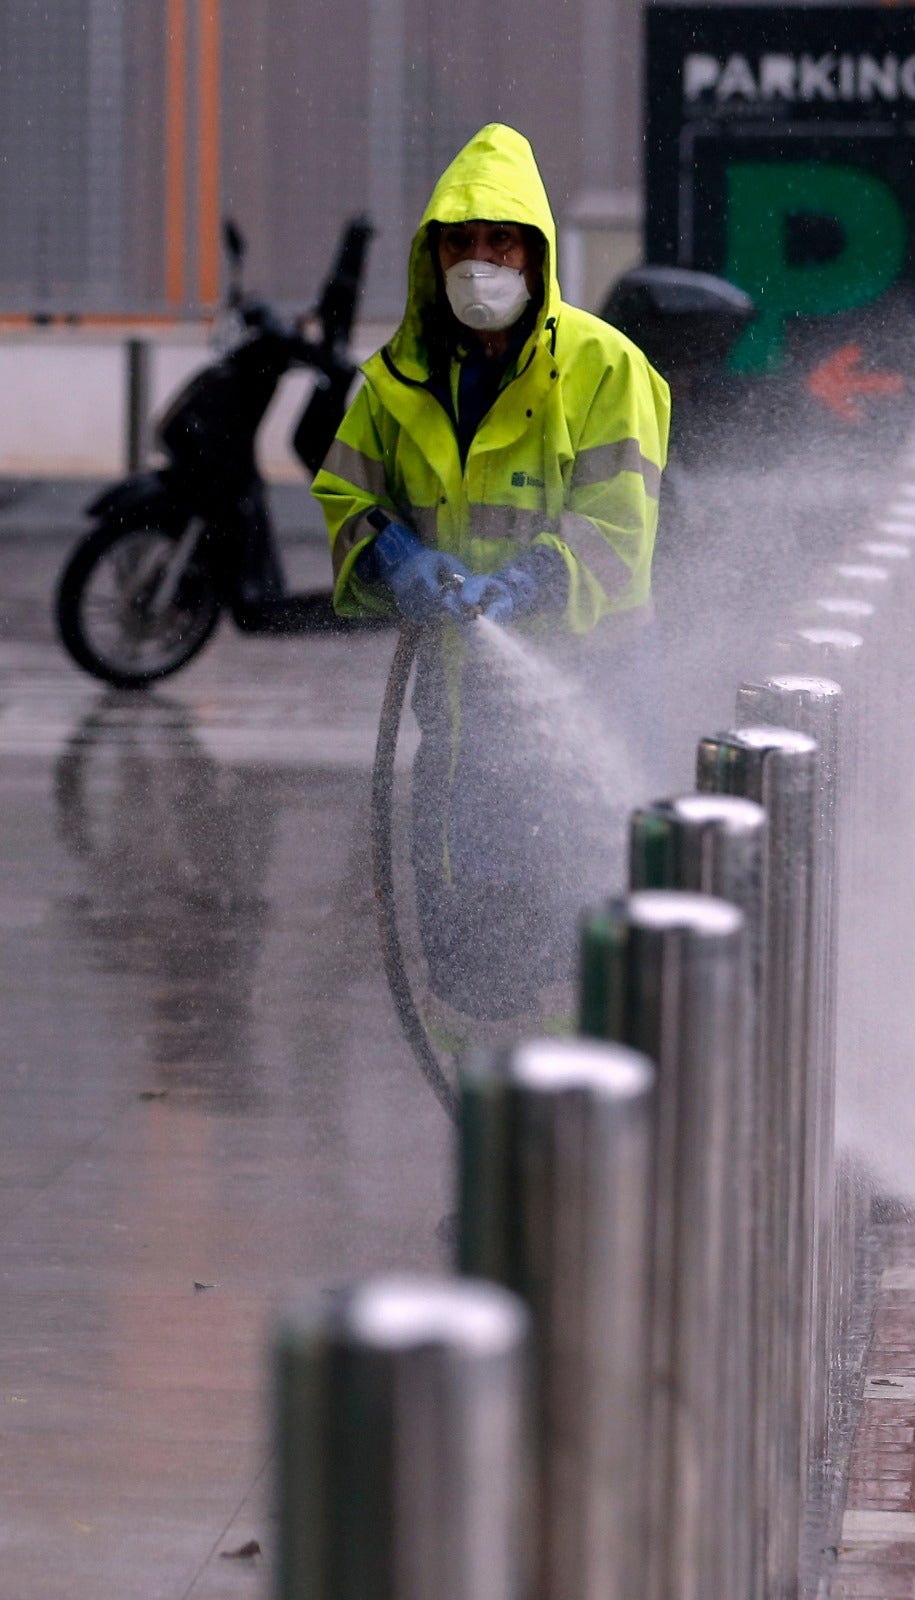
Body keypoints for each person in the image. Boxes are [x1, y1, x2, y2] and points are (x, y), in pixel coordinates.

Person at [313, 122, 671, 1019]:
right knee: (468, 964)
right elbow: (345, 494)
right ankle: (482, 1099)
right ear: (431, 257)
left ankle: (568, 1099)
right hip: (456, 718)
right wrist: (393, 553)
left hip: (582, 705)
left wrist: (528, 584)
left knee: (575, 951)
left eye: (500, 243)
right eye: (460, 244)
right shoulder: (397, 381)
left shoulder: (604, 369)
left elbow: (619, 528)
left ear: (536, 253)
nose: (479, 266)